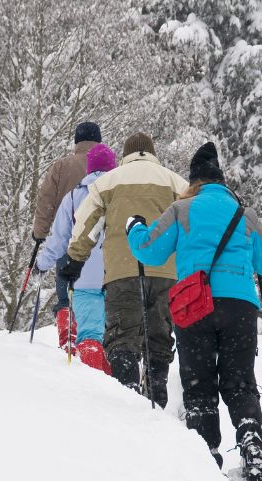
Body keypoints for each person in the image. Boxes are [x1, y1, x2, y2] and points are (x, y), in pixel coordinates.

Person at [125, 141, 262, 480]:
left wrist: (134, 227)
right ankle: (250, 439)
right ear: (222, 183)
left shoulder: (182, 209)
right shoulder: (243, 215)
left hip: (194, 306)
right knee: (240, 381)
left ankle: (205, 455)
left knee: (198, 383)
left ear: (194, 182)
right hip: (239, 307)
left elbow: (149, 251)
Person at [58, 132, 188, 408]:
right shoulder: (175, 182)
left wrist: (74, 261)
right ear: (152, 153)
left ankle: (127, 398)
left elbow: (85, 225)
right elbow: (192, 224)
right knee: (159, 337)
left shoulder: (108, 182)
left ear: (126, 154)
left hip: (122, 273)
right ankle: (157, 394)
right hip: (166, 274)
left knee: (122, 339)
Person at [35, 144, 117, 374]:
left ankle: (93, 383)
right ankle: (121, 388)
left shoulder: (73, 197)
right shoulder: (121, 195)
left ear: (89, 168)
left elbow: (59, 240)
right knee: (118, 338)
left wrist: (42, 264)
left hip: (84, 275)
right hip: (118, 275)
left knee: (89, 333)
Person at [32, 122, 101, 344]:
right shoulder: (111, 168)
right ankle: (96, 344)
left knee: (66, 296)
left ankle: (67, 335)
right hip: (104, 247)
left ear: (76, 141)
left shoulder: (62, 166)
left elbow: (46, 200)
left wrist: (40, 233)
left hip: (68, 240)